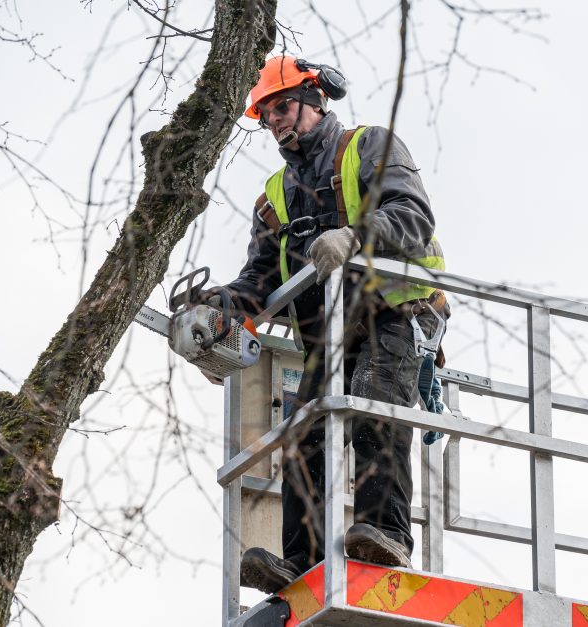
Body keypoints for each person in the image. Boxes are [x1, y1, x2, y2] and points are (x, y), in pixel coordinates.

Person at [226, 55, 448, 595]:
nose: (275, 120)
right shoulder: (275, 195)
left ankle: (385, 535)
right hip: (330, 331)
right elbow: (258, 280)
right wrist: (219, 312)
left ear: (316, 98)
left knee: (374, 404)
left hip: (395, 311)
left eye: (282, 106)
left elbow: (413, 218)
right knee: (303, 436)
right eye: (266, 114)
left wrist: (356, 236)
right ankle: (301, 564)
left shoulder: (368, 147)